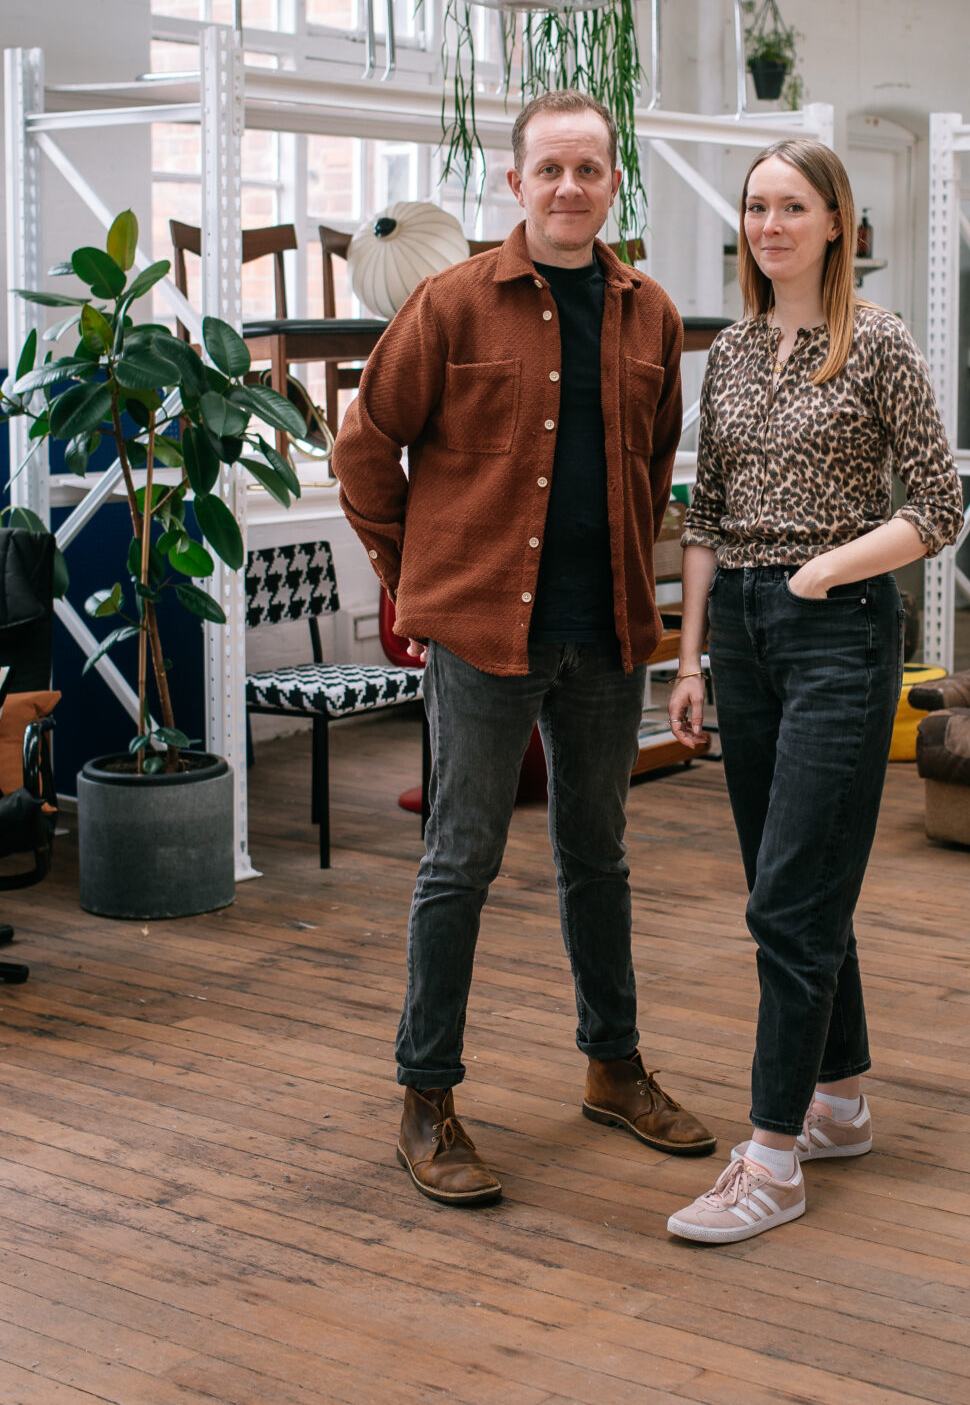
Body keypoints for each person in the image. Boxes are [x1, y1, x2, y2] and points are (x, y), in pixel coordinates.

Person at [333, 88, 717, 1208]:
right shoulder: (451, 305)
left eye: (588, 169)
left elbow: (651, 462)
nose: (567, 187)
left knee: (598, 855)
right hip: (480, 633)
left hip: (605, 634)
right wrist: (412, 572)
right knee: (461, 860)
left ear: (612, 182)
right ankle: (427, 1094)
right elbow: (365, 448)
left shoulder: (649, 313)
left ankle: (612, 1062)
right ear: (515, 182)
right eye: (547, 168)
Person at [660, 139, 962, 1244]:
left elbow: (939, 502)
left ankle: (773, 1157)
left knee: (785, 899)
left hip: (837, 631)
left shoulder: (876, 341)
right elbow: (705, 515)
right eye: (755, 205)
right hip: (738, 632)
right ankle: (837, 1098)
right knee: (797, 880)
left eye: (793, 204)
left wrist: (828, 568)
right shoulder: (732, 349)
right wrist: (687, 658)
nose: (770, 223)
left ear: (837, 220)